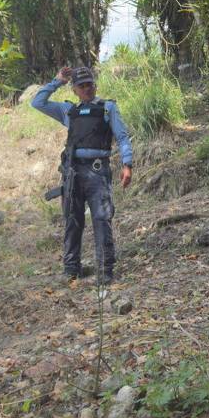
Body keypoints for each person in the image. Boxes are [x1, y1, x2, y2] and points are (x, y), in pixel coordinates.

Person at [32, 66, 134, 285]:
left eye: (90, 85)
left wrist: (127, 164)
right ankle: (71, 270)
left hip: (98, 172)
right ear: (74, 90)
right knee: (72, 220)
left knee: (101, 218)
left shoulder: (108, 108)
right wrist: (57, 80)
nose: (87, 89)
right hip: (73, 173)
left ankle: (105, 271)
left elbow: (123, 137)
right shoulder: (68, 111)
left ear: (95, 85)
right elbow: (37, 102)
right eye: (81, 86)